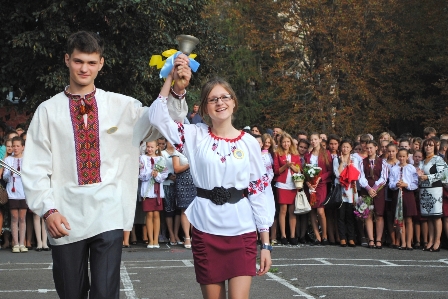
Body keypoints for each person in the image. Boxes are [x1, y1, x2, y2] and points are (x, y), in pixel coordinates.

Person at [21, 31, 190, 299]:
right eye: (78, 61)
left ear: (101, 63)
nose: (84, 68)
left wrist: (178, 89)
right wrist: (48, 209)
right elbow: (34, 167)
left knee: (105, 293)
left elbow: (161, 122)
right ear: (67, 60)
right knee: (71, 293)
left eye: (91, 62)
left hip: (108, 212)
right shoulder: (48, 111)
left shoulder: (122, 106)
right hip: (64, 216)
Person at [148, 68, 274, 298]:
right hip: (206, 231)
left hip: (242, 231)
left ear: (234, 102)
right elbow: (157, 116)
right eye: (212, 99)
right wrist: (171, 78)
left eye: (225, 97)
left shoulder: (249, 143)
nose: (220, 102)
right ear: (205, 108)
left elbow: (258, 190)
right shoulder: (195, 135)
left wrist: (265, 244)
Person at [417, 138, 446, 252]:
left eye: (430, 145)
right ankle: (430, 240)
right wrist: (420, 177)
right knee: (429, 216)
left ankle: (437, 241)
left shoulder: (438, 159)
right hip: (424, 189)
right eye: (426, 145)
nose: (428, 147)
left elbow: (442, 174)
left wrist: (428, 177)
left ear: (435, 147)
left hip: (435, 189)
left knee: (436, 216)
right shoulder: (422, 161)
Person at [305, 133, 333, 246]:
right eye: (311, 140)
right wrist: (308, 182)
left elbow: (330, 171)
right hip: (310, 185)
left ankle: (324, 235)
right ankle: (317, 237)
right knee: (312, 210)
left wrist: (320, 178)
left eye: (315, 139)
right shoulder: (308, 155)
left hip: (321, 184)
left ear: (319, 140)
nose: (313, 141)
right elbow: (305, 170)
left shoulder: (326, 153)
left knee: (320, 211)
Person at [359, 140, 388, 249]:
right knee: (368, 214)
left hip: (378, 190)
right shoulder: (362, 162)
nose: (369, 150)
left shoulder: (382, 162)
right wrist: (368, 188)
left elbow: (384, 177)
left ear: (376, 148)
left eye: (371, 147)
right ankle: (371, 239)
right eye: (367, 148)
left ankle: (378, 239)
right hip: (366, 190)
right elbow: (360, 176)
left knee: (379, 214)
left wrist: (375, 188)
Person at [273, 133, 301, 245]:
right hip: (282, 184)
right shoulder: (277, 154)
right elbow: (276, 170)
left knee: (292, 211)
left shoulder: (295, 154)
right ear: (281, 143)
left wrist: (292, 166)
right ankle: (283, 235)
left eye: (288, 142)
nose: (286, 144)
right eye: (284, 142)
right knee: (283, 210)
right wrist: (286, 165)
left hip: (293, 184)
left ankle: (292, 235)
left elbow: (298, 169)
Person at [139, 141, 168, 249]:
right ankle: (150, 240)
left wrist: (157, 175)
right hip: (147, 190)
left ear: (156, 148)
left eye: (152, 147)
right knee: (149, 215)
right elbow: (141, 175)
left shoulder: (161, 159)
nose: (149, 149)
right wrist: (149, 173)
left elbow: (164, 175)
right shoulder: (142, 158)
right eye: (148, 147)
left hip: (157, 192)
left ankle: (156, 240)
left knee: (156, 215)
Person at [389, 148, 418, 250]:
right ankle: (403, 242)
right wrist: (396, 185)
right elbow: (390, 183)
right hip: (397, 193)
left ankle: (409, 243)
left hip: (408, 193)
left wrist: (406, 184)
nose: (401, 158)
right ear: (397, 157)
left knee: (409, 219)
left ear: (407, 157)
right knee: (400, 219)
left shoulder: (411, 168)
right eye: (400, 156)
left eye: (403, 156)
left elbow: (415, 183)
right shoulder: (394, 169)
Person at [333, 139, 360, 247]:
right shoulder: (336, 159)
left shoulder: (354, 159)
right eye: (343, 147)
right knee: (341, 215)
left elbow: (355, 173)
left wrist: (349, 166)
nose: (345, 149)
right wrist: (342, 163)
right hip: (340, 189)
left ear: (351, 148)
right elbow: (337, 173)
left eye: (347, 147)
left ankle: (351, 238)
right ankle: (342, 237)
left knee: (350, 215)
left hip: (351, 190)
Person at [4, 136, 27, 253]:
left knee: (22, 218)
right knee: (14, 218)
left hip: (24, 192)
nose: (15, 148)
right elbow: (5, 177)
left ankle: (22, 243)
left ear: (23, 147)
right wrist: (10, 173)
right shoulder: (8, 160)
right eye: (14, 146)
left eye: (18, 146)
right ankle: (16, 244)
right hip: (12, 192)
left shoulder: (27, 159)